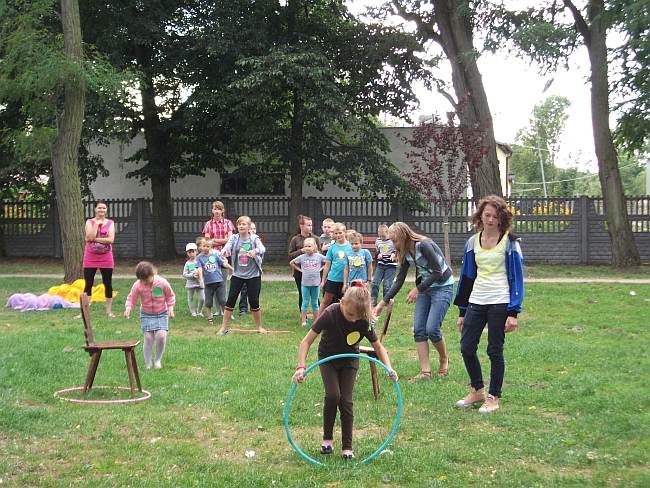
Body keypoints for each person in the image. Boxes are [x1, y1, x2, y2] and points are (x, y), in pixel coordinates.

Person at [292, 283, 399, 460]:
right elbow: (306, 342)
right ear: (342, 302)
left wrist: (388, 367)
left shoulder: (363, 321)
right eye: (349, 314)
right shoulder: (330, 313)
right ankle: (327, 440)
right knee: (333, 395)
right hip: (328, 359)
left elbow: (379, 347)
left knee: (346, 401)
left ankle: (347, 447)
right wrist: (301, 367)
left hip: (350, 360)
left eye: (356, 317)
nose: (352, 319)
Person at [453, 195, 524, 414]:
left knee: (494, 350)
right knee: (466, 347)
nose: (490, 220)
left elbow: (517, 278)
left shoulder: (510, 242)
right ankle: (477, 390)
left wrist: (513, 312)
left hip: (500, 302)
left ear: (502, 218)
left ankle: (493, 397)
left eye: (495, 216)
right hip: (476, 300)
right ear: (480, 216)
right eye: (487, 215)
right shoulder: (472, 242)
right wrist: (462, 311)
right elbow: (466, 278)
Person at [373, 222, 454, 381]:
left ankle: (444, 358)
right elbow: (399, 280)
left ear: (404, 236)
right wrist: (382, 304)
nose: (393, 244)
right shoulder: (404, 251)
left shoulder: (424, 245)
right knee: (419, 329)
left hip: (443, 286)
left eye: (395, 240)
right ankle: (425, 372)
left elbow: (437, 272)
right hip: (425, 288)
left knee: (432, 329)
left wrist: (418, 289)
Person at [219, 215, 267, 335]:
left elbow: (263, 248)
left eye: (244, 224)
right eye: (239, 224)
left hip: (253, 275)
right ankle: (223, 327)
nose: (241, 226)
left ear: (249, 226)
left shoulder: (254, 239)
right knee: (230, 299)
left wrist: (255, 251)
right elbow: (228, 246)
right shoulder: (234, 238)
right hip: (238, 274)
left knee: (254, 301)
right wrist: (224, 251)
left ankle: (259, 327)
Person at [124, 261, 175, 369]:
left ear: (152, 274)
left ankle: (157, 360)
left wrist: (170, 308)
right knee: (148, 338)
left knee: (161, 336)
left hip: (161, 313)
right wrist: (128, 308)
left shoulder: (162, 282)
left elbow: (170, 296)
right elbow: (131, 298)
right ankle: (148, 364)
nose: (145, 282)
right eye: (142, 280)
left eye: (147, 280)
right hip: (146, 314)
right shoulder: (138, 285)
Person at [82, 200, 116, 317]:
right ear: (95, 209)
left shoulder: (110, 223)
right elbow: (89, 236)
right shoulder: (89, 222)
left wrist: (94, 239)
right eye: (99, 208)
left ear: (106, 210)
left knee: (108, 284)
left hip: (106, 257)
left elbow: (111, 240)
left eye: (104, 208)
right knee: (88, 284)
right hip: (90, 257)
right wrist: (96, 224)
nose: (102, 210)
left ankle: (109, 311)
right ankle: (85, 312)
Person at [289, 237, 326, 326]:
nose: (307, 248)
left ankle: (316, 320)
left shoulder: (319, 256)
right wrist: (300, 270)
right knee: (305, 302)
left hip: (315, 284)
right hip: (305, 284)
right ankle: (303, 321)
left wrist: (321, 268)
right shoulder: (302, 257)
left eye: (309, 246)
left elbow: (328, 262)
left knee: (315, 303)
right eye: (305, 246)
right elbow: (291, 263)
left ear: (314, 247)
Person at [197, 238, 232, 326]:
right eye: (204, 246)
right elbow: (200, 269)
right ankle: (210, 318)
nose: (205, 248)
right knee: (208, 302)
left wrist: (231, 268)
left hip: (219, 282)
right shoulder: (199, 258)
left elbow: (223, 263)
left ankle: (226, 318)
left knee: (223, 300)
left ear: (211, 247)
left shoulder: (215, 255)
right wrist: (201, 280)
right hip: (208, 284)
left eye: (207, 246)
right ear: (201, 247)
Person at [319, 222, 352, 315]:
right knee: (326, 301)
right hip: (333, 278)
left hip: (345, 280)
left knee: (344, 302)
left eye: (340, 233)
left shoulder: (350, 247)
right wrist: (323, 281)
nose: (338, 235)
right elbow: (327, 265)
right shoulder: (332, 248)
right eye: (336, 233)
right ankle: (318, 322)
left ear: (345, 232)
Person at [288, 215, 320, 311]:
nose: (310, 227)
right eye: (308, 225)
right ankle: (303, 316)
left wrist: (313, 251)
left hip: (313, 272)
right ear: (301, 226)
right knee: (302, 294)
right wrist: (301, 251)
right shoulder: (295, 239)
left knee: (315, 295)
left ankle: (318, 315)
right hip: (300, 272)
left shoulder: (316, 238)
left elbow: (320, 254)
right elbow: (290, 255)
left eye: (311, 225)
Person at [371, 224, 398, 307]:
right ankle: (373, 300)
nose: (382, 238)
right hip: (381, 265)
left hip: (390, 266)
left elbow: (397, 250)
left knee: (387, 284)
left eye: (383, 236)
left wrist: (394, 254)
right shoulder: (378, 241)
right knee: (375, 283)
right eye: (380, 236)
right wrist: (378, 254)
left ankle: (386, 301)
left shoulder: (392, 241)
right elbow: (377, 251)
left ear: (388, 233)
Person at [182, 243, 204, 317]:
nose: (191, 254)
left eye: (193, 252)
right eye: (189, 252)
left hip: (199, 283)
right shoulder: (187, 263)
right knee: (190, 298)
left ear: (196, 251)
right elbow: (184, 274)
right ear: (187, 253)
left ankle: (199, 311)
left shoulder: (200, 260)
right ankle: (193, 312)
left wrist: (201, 275)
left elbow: (204, 269)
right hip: (190, 284)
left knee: (202, 298)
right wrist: (192, 275)